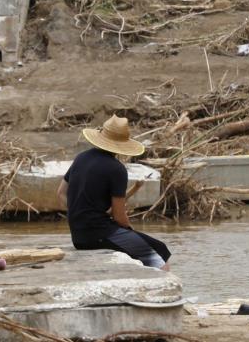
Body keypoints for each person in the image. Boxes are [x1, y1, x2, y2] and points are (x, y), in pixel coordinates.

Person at [57, 115, 171, 270]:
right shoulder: (117, 169)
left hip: (78, 236)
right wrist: (130, 230)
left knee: (145, 245)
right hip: (99, 234)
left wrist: (80, 214)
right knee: (159, 252)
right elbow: (119, 217)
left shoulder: (81, 158)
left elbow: (61, 193)